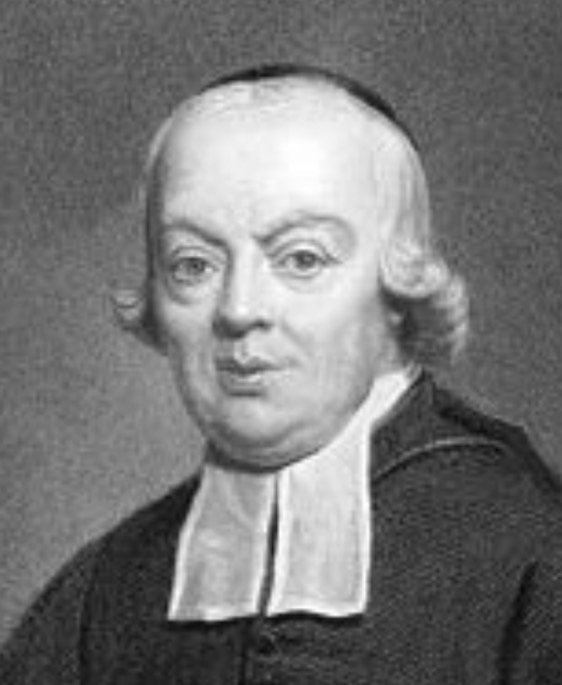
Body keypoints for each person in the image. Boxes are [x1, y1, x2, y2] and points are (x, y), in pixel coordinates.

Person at [2, 63, 562, 685]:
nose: (239, 309)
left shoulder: (528, 550)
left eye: (301, 259)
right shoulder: (106, 590)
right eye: (193, 265)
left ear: (400, 287)